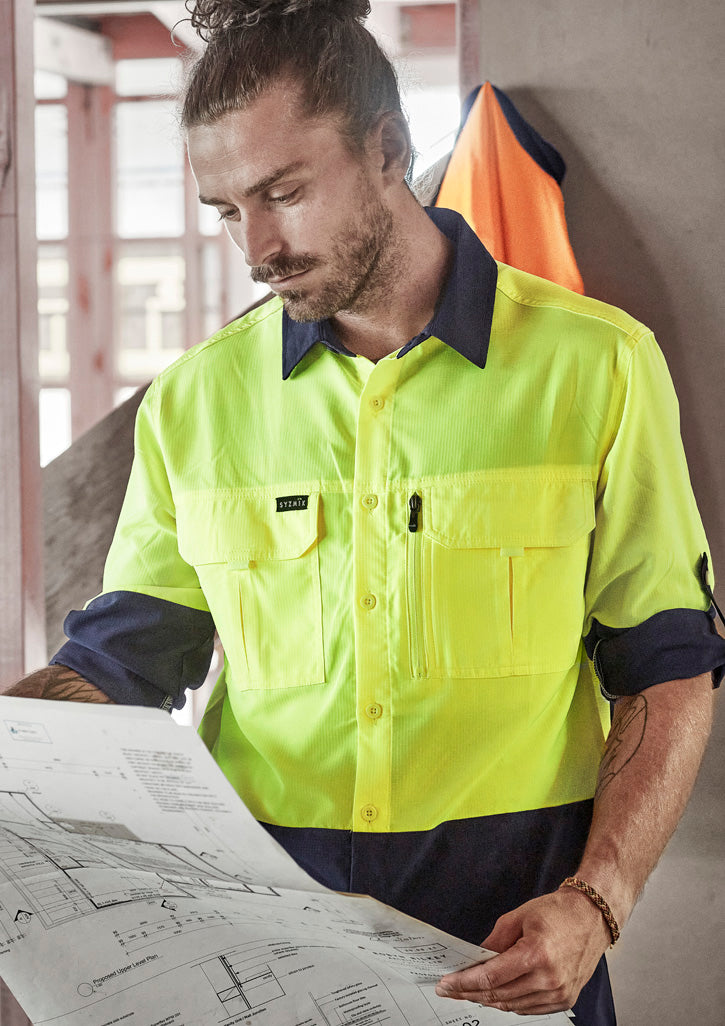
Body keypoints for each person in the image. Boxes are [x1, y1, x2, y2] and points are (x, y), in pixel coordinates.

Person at [6, 2, 724, 1022]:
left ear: (387, 149)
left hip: (507, 952)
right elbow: (123, 664)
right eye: (224, 210)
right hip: (258, 961)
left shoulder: (598, 366)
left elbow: (666, 666)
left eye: (283, 193)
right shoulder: (195, 401)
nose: (256, 247)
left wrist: (595, 905)